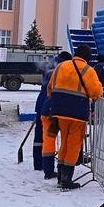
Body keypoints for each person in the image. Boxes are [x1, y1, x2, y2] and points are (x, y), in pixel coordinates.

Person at [47, 44, 103, 190]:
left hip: (59, 111)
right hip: (77, 113)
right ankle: (66, 179)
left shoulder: (60, 66)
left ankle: (60, 175)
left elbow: (50, 87)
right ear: (88, 57)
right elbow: (96, 92)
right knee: (73, 145)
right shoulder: (88, 71)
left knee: (64, 142)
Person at [33, 51, 72, 179]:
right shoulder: (62, 67)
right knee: (49, 137)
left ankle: (38, 163)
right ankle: (49, 168)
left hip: (41, 101)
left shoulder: (51, 64)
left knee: (40, 134)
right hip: (50, 103)